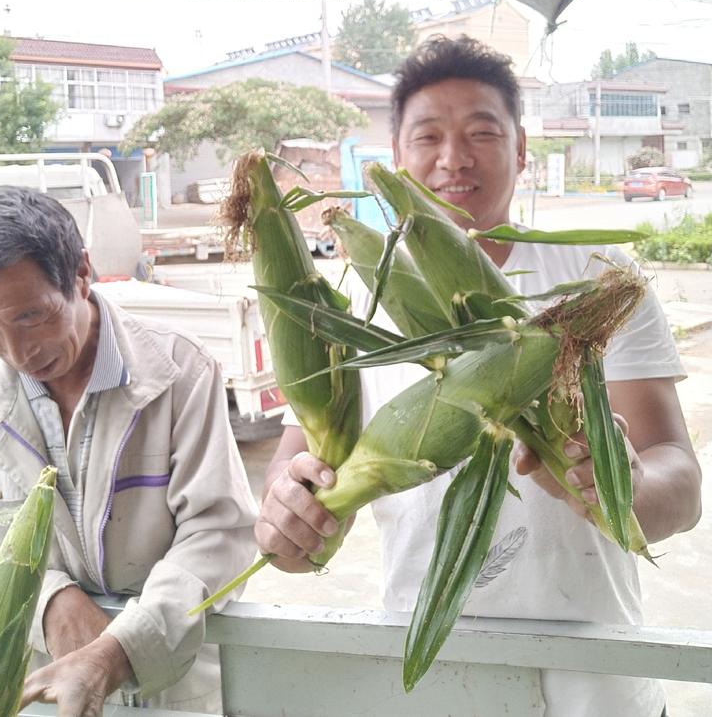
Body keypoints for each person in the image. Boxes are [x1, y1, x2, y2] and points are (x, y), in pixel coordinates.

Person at [257, 35, 701, 717]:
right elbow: (295, 504)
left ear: (523, 150)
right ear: (397, 160)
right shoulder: (347, 310)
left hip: (599, 688)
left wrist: (623, 485)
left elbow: (683, 485)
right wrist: (289, 524)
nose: (453, 157)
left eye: (482, 132)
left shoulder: (602, 281)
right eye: (428, 135)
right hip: (437, 687)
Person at [0, 186, 257, 716]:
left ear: (80, 273)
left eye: (32, 317)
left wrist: (117, 651)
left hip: (168, 686)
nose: (18, 354)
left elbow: (219, 535)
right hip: (29, 689)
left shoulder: (181, 371)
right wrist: (49, 603)